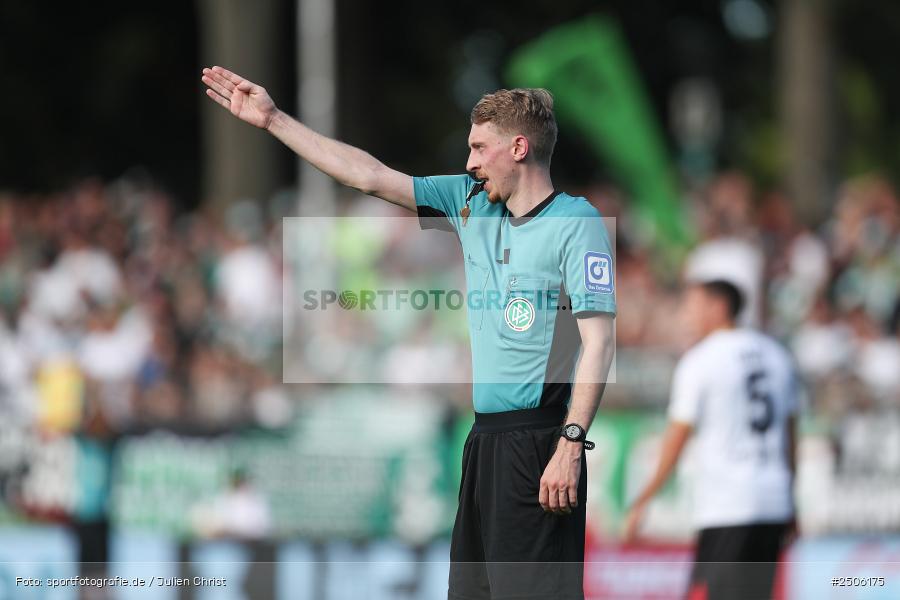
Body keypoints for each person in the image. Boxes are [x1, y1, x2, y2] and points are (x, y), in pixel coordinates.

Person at [201, 66, 616, 599]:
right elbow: (369, 176)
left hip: (541, 441)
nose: (469, 162)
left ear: (518, 148)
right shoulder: (470, 202)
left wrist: (570, 444)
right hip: (483, 441)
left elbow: (599, 341)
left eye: (479, 148)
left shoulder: (575, 222)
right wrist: (274, 120)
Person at [623, 280, 798, 600]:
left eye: (692, 306)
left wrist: (645, 497)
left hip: (728, 505)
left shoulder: (701, 359)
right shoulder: (777, 355)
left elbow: (677, 437)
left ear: (718, 307)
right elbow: (790, 436)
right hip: (774, 501)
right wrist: (791, 499)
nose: (686, 316)